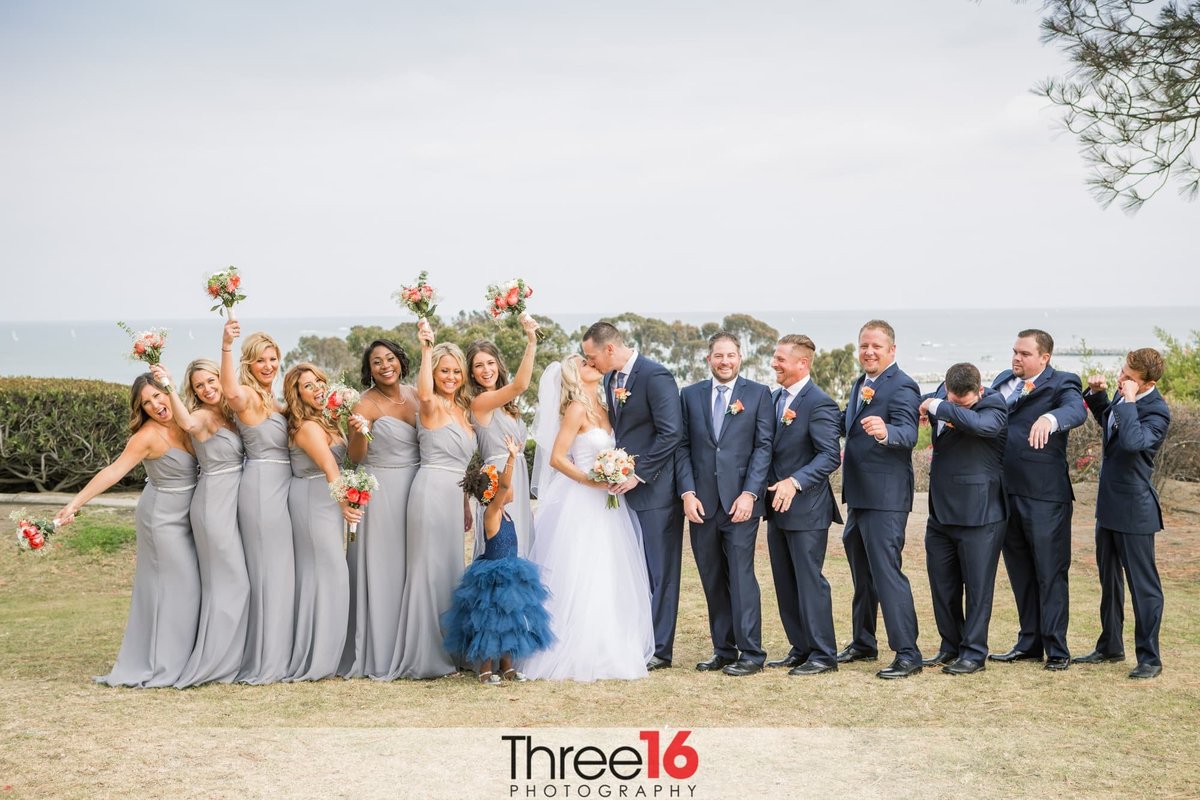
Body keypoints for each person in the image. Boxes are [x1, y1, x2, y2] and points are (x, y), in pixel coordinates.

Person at [56, 373, 200, 688]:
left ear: (168, 392)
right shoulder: (146, 436)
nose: (155, 405)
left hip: (191, 516)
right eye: (146, 403)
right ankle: (165, 663)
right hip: (162, 518)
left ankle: (185, 656)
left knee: (190, 586)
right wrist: (76, 504)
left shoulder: (186, 419)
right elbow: (114, 471)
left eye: (158, 396)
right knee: (178, 587)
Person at [521, 355, 655, 682]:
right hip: (582, 500)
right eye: (584, 362)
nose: (592, 363)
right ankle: (574, 647)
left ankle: (608, 645)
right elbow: (555, 458)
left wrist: (617, 468)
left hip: (609, 500)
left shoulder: (607, 405)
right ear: (575, 374)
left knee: (609, 569)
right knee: (581, 569)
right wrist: (589, 479)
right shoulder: (576, 409)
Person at [581, 322, 683, 670]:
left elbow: (671, 434)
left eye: (591, 355)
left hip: (655, 492)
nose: (589, 362)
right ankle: (637, 638)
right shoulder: (610, 380)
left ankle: (660, 649)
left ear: (609, 349)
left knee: (660, 571)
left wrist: (637, 474)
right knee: (634, 569)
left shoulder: (656, 376)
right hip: (621, 490)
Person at [987, 330, 1087, 671]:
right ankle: (1028, 643)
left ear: (1044, 357)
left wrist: (1050, 417)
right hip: (1005, 493)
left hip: (1045, 497)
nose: (1016, 358)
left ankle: (1057, 649)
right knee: (1020, 571)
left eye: (1025, 354)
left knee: (1050, 571)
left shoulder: (1063, 384)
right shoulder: (1003, 381)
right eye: (1014, 351)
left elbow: (1077, 410)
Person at [675, 331, 774, 677]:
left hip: (741, 504)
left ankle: (751, 652)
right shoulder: (689, 396)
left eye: (731, 355)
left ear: (740, 358)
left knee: (742, 576)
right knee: (712, 577)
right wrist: (687, 493)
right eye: (719, 356)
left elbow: (764, 448)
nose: (725, 361)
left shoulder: (759, 395)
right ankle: (723, 649)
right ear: (708, 359)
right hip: (701, 505)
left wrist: (750, 494)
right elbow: (682, 447)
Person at [150, 360, 250, 688]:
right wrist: (168, 388)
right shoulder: (203, 417)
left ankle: (231, 657)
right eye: (198, 386)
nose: (207, 389)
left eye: (211, 381)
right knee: (231, 584)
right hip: (213, 505)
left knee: (229, 584)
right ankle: (214, 664)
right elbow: (189, 424)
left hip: (233, 503)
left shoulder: (230, 413)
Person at [1075, 348, 1171, 679]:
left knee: (1143, 587)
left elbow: (1132, 443)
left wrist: (1128, 401)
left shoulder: (1157, 412)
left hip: (1136, 510)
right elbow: (1111, 425)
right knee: (1110, 581)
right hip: (1109, 506)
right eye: (1122, 372)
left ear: (1149, 383)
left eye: (1129, 378)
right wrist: (1099, 396)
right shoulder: (1121, 397)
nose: (1122, 379)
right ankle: (1110, 646)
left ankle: (1150, 658)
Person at [837, 320, 925, 680]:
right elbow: (849, 426)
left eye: (876, 346)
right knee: (863, 575)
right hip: (859, 495)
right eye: (863, 346)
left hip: (886, 497)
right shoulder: (861, 384)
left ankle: (908, 652)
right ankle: (863, 641)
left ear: (891, 350)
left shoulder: (903, 385)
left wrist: (888, 431)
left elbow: (908, 432)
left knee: (887, 574)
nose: (868, 352)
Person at [394, 323, 476, 679]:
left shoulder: (463, 411)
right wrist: (426, 349)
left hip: (453, 495)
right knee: (427, 572)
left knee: (449, 572)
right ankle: (427, 656)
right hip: (428, 491)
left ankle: (452, 649)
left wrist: (465, 504)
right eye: (445, 370)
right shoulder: (430, 406)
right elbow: (424, 394)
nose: (451, 377)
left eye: (456, 371)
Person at [919, 363, 1008, 675]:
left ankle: (973, 653)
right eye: (952, 401)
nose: (956, 408)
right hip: (940, 512)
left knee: (978, 589)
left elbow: (982, 426)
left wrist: (939, 406)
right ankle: (950, 645)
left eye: (964, 403)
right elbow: (933, 403)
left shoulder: (994, 404)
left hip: (981, 514)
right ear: (946, 387)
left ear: (979, 391)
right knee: (942, 585)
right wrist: (930, 404)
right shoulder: (939, 397)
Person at [442, 436, 554, 684]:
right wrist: (512, 457)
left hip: (511, 572)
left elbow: (503, 487)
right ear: (494, 492)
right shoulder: (492, 512)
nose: (511, 488)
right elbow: (504, 486)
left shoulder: (504, 513)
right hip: (494, 576)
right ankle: (485, 669)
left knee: (510, 622)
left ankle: (508, 666)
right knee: (490, 623)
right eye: (504, 486)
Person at [763, 335, 843, 676]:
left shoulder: (819, 403)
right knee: (785, 580)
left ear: (802, 363)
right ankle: (800, 646)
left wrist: (794, 482)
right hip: (775, 507)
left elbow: (829, 456)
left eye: (781, 359)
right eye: (775, 358)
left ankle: (824, 654)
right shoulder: (774, 398)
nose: (774, 364)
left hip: (807, 508)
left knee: (810, 581)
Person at [340, 339, 419, 680]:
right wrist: (360, 432)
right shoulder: (364, 404)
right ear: (369, 369)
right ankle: (383, 647)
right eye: (376, 362)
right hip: (382, 488)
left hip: (418, 486)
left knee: (414, 565)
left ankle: (417, 642)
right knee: (385, 566)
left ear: (400, 361)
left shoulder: (417, 394)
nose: (385, 365)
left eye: (390, 358)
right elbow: (356, 457)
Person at [220, 321, 294, 684]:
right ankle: (265, 658)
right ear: (248, 364)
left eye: (273, 358)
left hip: (283, 485)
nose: (268, 366)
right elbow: (229, 392)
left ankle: (280, 649)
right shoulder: (247, 397)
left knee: (279, 573)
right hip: (263, 486)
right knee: (267, 572)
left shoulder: (273, 399)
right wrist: (226, 347)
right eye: (260, 360)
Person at [283, 362, 362, 682]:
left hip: (327, 498)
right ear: (296, 394)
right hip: (313, 499)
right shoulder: (306, 427)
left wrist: (356, 429)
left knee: (328, 576)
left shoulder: (328, 421)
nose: (316, 389)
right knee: (329, 574)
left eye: (319, 382)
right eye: (307, 385)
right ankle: (318, 659)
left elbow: (350, 459)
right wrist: (345, 504)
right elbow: (330, 466)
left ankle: (329, 654)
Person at [466, 313, 540, 558]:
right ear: (472, 373)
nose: (486, 370)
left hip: (517, 473)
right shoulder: (481, 402)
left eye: (490, 363)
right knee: (502, 549)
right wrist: (531, 342)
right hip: (498, 479)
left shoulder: (509, 405)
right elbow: (520, 385)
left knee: (521, 544)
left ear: (498, 364)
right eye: (479, 365)